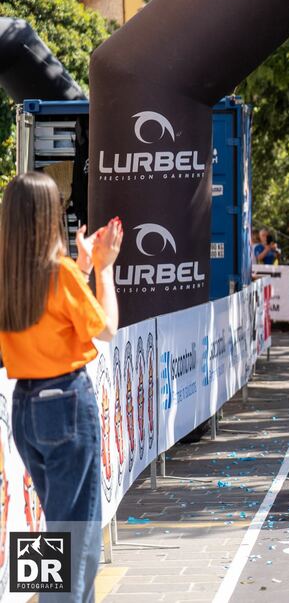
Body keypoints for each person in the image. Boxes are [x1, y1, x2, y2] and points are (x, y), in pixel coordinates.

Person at [0, 172, 123, 603]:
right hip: (66, 402)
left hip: (25, 406)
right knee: (77, 541)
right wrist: (103, 269)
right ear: (50, 216)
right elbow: (106, 327)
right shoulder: (59, 273)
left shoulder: (9, 276)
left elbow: (53, 318)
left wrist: (84, 268)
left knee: (54, 530)